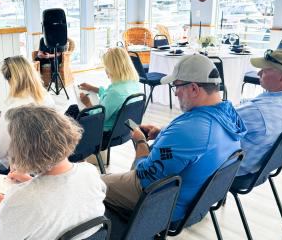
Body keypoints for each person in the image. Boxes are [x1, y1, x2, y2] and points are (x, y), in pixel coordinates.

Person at [101, 54, 246, 222]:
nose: (175, 93)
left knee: (91, 184)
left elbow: (144, 174)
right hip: (194, 202)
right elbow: (191, 145)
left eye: (176, 86)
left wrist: (140, 141)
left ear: (193, 88)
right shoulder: (230, 116)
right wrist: (162, 133)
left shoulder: (188, 131)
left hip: (162, 203)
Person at [0, 105, 106, 240]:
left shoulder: (19, 200)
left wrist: (3, 210)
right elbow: (60, 195)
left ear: (22, 150)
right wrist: (30, 183)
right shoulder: (90, 172)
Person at [235, 49, 282, 176]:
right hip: (260, 169)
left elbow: (213, 125)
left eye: (265, 70)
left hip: (231, 172)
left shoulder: (258, 112)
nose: (259, 73)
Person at [0, 55, 54, 170]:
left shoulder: (11, 111)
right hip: (48, 160)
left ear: (11, 80)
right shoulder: (47, 98)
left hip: (23, 168)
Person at [78, 47, 140, 132]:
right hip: (125, 129)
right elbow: (111, 98)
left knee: (73, 112)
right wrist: (93, 88)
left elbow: (98, 117)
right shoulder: (133, 83)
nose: (105, 70)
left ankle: (60, 141)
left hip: (105, 131)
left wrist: (87, 103)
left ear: (112, 69)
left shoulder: (115, 92)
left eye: (106, 67)